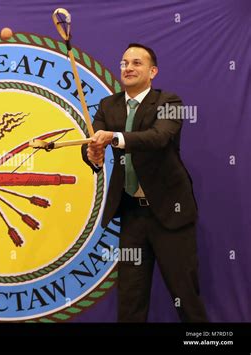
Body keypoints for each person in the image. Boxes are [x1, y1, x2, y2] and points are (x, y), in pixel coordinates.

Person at [81, 44, 208, 322]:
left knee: (185, 296)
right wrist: (93, 154)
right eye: (124, 63)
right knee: (130, 297)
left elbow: (158, 138)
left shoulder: (170, 103)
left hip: (170, 214)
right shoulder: (108, 105)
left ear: (153, 72)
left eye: (136, 63)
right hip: (132, 214)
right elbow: (93, 144)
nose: (128, 68)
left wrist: (112, 138)